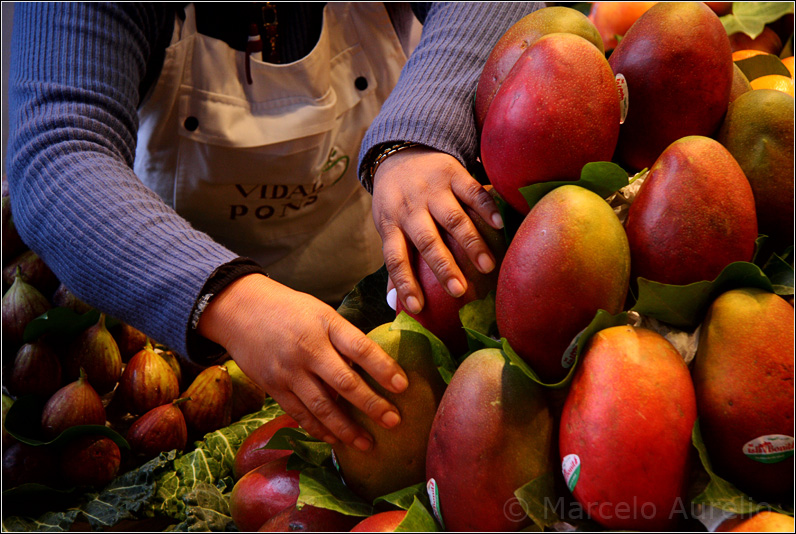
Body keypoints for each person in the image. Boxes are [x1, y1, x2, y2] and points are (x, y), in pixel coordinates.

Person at [6, 2, 543, 451]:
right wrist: (230, 302)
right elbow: (57, 152)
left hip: (376, 308)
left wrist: (417, 135)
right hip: (182, 346)